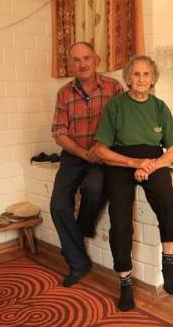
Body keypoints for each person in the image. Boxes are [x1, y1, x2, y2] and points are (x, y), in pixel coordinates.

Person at [94, 55, 173, 311]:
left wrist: (151, 165)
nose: (141, 79)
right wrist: (135, 164)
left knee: (168, 201)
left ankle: (168, 266)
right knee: (120, 219)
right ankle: (125, 282)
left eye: (146, 74)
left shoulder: (159, 107)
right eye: (136, 74)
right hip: (122, 162)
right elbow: (101, 150)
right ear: (128, 79)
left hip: (152, 162)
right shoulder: (116, 106)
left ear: (153, 79)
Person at [50, 42, 123, 287]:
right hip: (73, 155)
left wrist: (102, 151)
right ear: (71, 64)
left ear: (96, 60)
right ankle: (79, 263)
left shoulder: (114, 88)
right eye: (76, 60)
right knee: (58, 205)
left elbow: (122, 126)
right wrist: (83, 153)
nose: (82, 64)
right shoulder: (63, 93)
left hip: (103, 156)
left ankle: (78, 234)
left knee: (93, 190)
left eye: (86, 58)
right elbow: (59, 133)